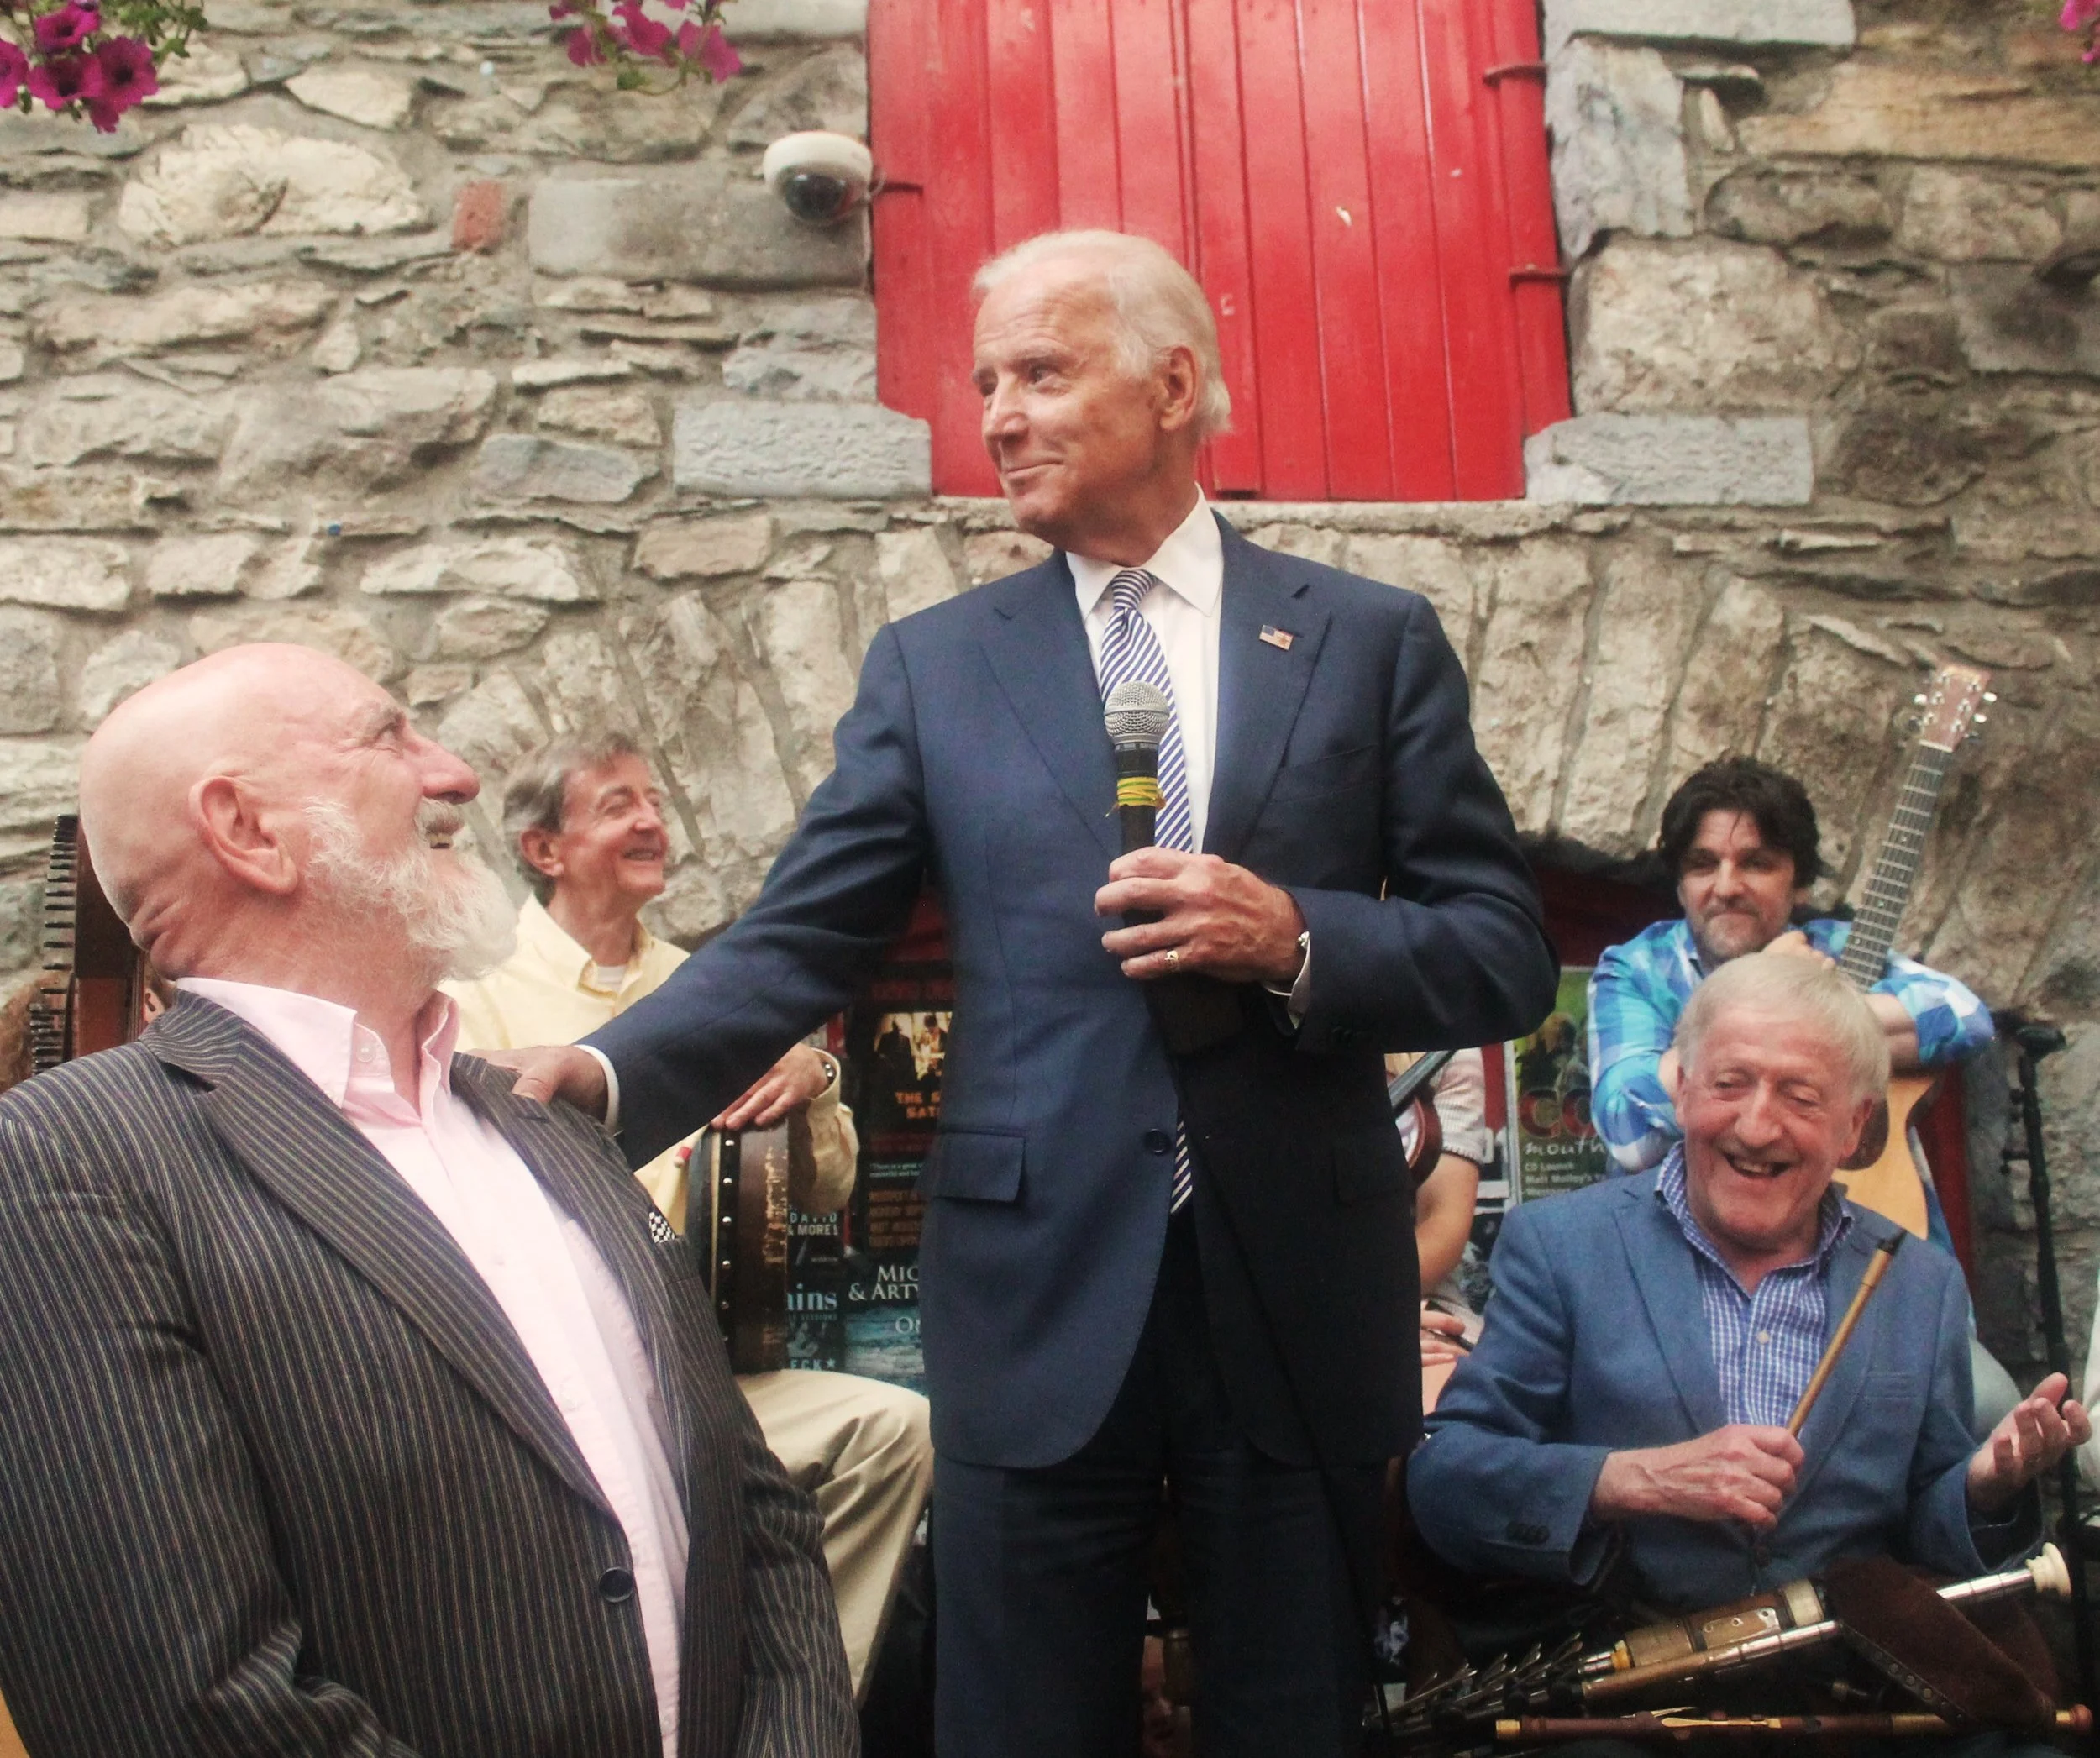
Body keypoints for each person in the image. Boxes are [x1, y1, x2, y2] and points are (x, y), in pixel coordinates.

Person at [502, 228, 1557, 1756]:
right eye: (986, 379)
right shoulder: (937, 666)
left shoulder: (1366, 641)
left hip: (1300, 1287)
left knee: (1296, 1717)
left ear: (1175, 383)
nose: (997, 413)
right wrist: (603, 1076)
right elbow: (799, 940)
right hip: (1036, 1290)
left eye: (1043, 372)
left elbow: (1503, 949)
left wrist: (1299, 936)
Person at [0, 645, 855, 1758]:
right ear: (246, 830)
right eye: (390, 737)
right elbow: (176, 1693)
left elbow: (762, 1526)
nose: (453, 776)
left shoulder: (544, 1120)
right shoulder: (68, 1162)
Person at [445, 732, 934, 1702]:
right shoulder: (477, 996)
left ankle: (793, 1704)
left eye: (655, 800)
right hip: (563, 1379)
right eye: (618, 803)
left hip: (708, 1366)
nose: (651, 821)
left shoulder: (713, 987)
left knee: (894, 1427)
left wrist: (815, 1078)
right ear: (544, 850)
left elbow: (830, 1193)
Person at [1410, 956, 2087, 1640]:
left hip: (1847, 1695)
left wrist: (1984, 1487)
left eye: (1800, 1096)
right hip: (1626, 1694)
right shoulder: (1561, 1247)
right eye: (1730, 1084)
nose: (1758, 1127)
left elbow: (1927, 1536)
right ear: (1680, 1089)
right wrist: (1635, 1478)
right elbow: (1445, 1482)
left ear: (1854, 1127)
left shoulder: (1919, 1282)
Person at [1589, 756, 1993, 1179]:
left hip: (1873, 1218)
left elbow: (1967, 1015)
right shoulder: (1634, 970)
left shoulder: (1839, 947)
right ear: (1679, 885)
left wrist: (1815, 1013)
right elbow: (1629, 1136)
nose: (1726, 887)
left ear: (1800, 884)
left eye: (1755, 863)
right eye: (1703, 865)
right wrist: (1759, 997)